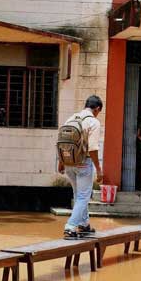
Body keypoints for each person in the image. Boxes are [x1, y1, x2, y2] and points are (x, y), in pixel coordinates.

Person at [58, 95, 103, 238]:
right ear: (97, 109)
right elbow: (93, 149)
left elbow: (62, 142)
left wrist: (61, 162)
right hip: (84, 163)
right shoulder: (93, 122)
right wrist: (99, 169)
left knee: (78, 195)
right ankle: (70, 226)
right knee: (84, 196)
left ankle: (84, 224)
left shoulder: (71, 119)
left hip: (69, 162)